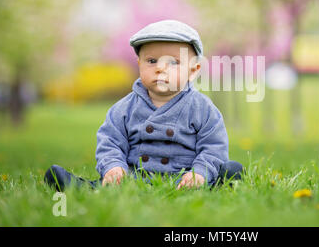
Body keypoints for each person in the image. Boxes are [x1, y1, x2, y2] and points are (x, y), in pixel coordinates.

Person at [44, 20, 243, 191]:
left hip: (183, 178)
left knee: (230, 169)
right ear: (139, 64)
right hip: (134, 179)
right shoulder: (124, 108)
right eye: (152, 61)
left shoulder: (202, 109)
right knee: (108, 184)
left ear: (193, 70)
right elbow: (110, 141)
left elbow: (213, 147)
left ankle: (209, 182)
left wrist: (200, 173)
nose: (160, 68)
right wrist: (114, 167)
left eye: (173, 62)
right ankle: (82, 186)